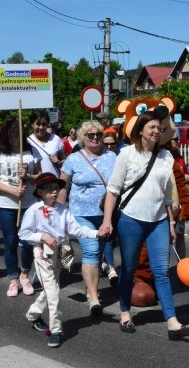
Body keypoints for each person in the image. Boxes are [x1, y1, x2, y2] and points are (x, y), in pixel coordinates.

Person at [98, 109, 189, 340]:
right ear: (140, 130)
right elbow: (112, 191)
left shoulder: (166, 157)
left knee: (161, 271)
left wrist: (171, 223)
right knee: (129, 269)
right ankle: (124, 312)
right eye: (151, 127)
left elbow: (167, 195)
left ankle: (172, 321)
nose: (156, 131)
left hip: (158, 221)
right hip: (130, 219)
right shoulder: (127, 155)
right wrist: (106, 221)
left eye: (159, 128)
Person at [21, 173, 102, 347]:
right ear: (40, 192)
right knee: (53, 291)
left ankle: (33, 315)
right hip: (42, 253)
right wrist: (43, 236)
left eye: (56, 188)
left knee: (51, 288)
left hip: (58, 252)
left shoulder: (63, 209)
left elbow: (76, 230)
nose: (54, 192)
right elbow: (24, 233)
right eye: (49, 189)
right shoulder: (34, 210)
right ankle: (56, 329)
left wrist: (96, 233)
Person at [58, 121, 116, 316]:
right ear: (83, 138)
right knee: (91, 251)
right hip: (81, 214)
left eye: (98, 135)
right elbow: (62, 187)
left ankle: (91, 287)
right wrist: (58, 213)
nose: (95, 138)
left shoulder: (111, 157)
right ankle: (94, 297)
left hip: (106, 214)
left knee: (98, 253)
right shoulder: (73, 159)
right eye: (90, 135)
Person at [0, 116, 42, 297]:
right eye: (12, 128)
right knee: (10, 242)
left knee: (27, 242)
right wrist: (12, 191)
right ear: (6, 131)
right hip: (5, 204)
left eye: (19, 128)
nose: (16, 131)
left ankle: (25, 275)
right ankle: (13, 279)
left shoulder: (31, 151)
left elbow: (40, 177)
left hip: (28, 204)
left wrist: (28, 175)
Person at [166, 134, 189, 259]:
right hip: (166, 201)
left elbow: (187, 176)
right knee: (165, 237)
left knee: (180, 234)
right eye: (174, 139)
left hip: (179, 201)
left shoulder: (179, 158)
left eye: (178, 139)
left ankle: (181, 264)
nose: (177, 142)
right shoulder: (162, 156)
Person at [99, 131, 120, 281]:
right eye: (106, 144)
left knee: (110, 236)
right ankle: (109, 266)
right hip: (97, 203)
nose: (109, 146)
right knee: (101, 236)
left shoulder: (120, 157)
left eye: (112, 143)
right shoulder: (97, 157)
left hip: (115, 202)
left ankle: (107, 263)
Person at [26, 110, 66, 175]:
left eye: (44, 124)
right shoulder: (28, 142)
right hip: (36, 183)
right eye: (38, 124)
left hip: (54, 182)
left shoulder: (56, 139)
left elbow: (65, 160)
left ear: (47, 125)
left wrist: (59, 162)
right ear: (32, 125)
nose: (41, 127)